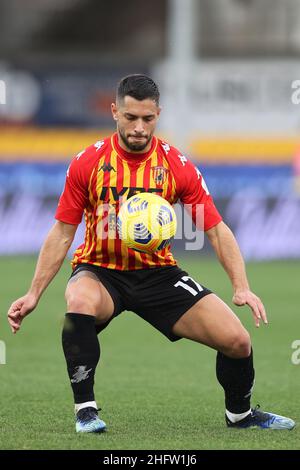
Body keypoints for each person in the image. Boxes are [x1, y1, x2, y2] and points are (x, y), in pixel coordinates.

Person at [8, 74, 295, 433]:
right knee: (79, 301)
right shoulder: (88, 162)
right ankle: (86, 411)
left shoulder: (177, 166)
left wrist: (241, 286)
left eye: (148, 118)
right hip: (100, 269)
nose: (139, 127)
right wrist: (34, 293)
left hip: (159, 273)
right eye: (131, 118)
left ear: (158, 114)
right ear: (114, 112)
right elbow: (63, 231)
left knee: (237, 341)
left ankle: (240, 414)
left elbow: (216, 230)